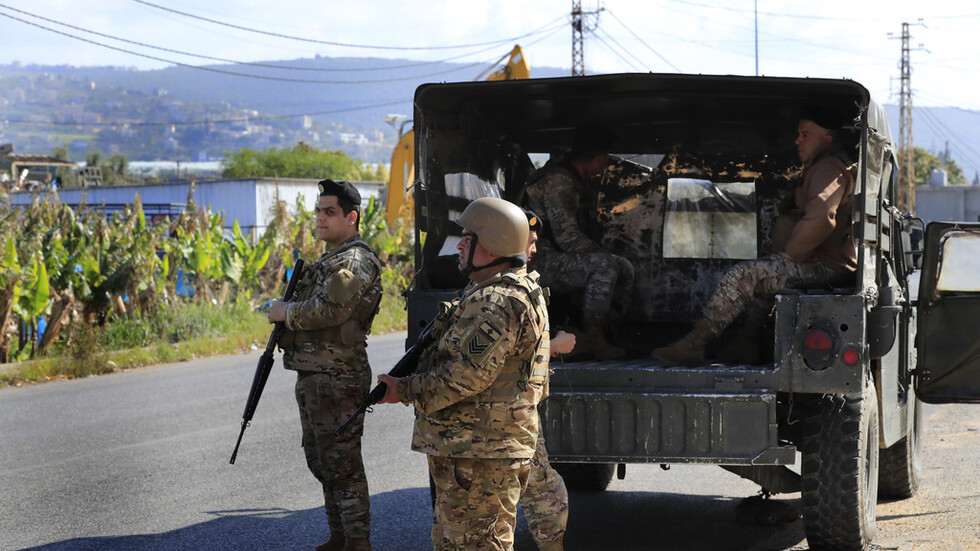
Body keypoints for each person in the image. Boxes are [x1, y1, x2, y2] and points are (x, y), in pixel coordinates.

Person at [376, 197, 550, 551]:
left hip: (480, 454)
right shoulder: (494, 293)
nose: (459, 245)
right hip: (474, 450)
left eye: (468, 237)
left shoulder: (497, 302)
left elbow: (466, 376)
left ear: (493, 244)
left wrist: (404, 389)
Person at [652, 107, 856, 366]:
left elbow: (823, 217)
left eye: (806, 134)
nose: (798, 140)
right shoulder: (822, 166)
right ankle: (745, 344)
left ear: (827, 139)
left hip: (825, 265)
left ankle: (694, 345)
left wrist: (791, 255)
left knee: (743, 276)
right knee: (766, 279)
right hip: (821, 261)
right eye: (798, 134)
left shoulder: (828, 168)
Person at [266, 179, 384, 551]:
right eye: (318, 211)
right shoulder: (331, 260)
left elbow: (331, 310)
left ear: (351, 217)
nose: (320, 218)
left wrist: (287, 313)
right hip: (317, 374)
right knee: (322, 461)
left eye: (329, 212)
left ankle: (357, 541)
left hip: (338, 377)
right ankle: (339, 536)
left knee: (343, 464)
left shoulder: (354, 260)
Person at [522, 124, 634, 360]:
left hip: (547, 256)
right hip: (537, 261)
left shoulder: (567, 178)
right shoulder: (559, 182)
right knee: (608, 266)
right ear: (598, 158)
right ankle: (595, 338)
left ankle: (608, 333)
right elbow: (568, 238)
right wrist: (603, 255)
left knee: (616, 264)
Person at [518, 208, 571, 551]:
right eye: (529, 242)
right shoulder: (510, 293)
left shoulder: (519, 287)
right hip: (509, 419)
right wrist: (556, 345)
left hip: (513, 416)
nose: (534, 249)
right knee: (544, 493)